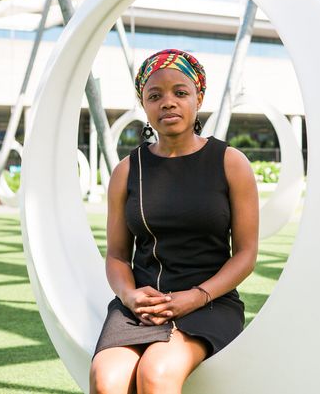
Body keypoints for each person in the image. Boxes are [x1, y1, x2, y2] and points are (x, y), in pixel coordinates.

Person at [89, 49, 259, 394]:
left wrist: (197, 296)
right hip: (143, 303)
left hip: (210, 301)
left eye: (180, 92)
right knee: (106, 380)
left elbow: (246, 254)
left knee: (156, 372)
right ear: (144, 104)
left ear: (198, 97)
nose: (168, 102)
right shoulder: (127, 170)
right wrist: (129, 295)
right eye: (155, 95)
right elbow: (118, 256)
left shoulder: (230, 162)